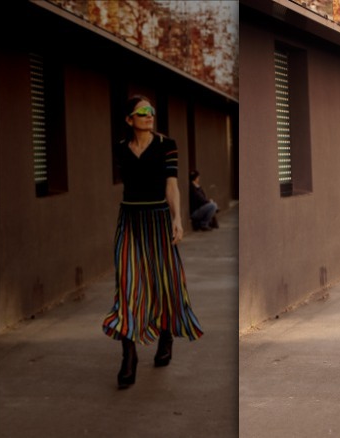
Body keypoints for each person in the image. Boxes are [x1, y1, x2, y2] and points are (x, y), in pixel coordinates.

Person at [102, 96, 203, 389]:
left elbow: (171, 184)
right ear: (129, 119)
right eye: (142, 112)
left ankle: (166, 336)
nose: (149, 116)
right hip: (130, 221)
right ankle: (128, 355)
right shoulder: (121, 149)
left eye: (152, 112)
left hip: (158, 220)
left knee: (164, 281)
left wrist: (177, 219)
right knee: (128, 284)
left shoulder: (166, 145)